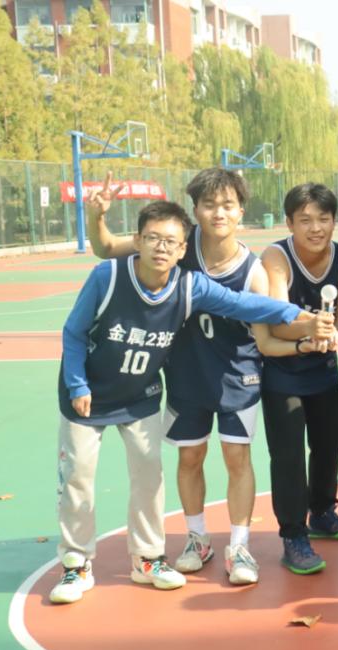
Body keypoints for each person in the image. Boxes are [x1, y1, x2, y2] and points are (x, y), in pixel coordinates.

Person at [50, 201, 331, 604]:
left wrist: (298, 315)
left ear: (183, 249)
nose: (161, 247)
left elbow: (244, 304)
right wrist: (77, 385)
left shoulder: (188, 285)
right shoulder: (107, 277)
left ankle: (147, 558)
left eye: (171, 241)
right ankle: (76, 564)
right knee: (78, 478)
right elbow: (74, 332)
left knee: (148, 479)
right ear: (138, 241)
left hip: (140, 396)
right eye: (153, 238)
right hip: (88, 396)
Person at [86, 169, 279, 586]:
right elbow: (105, 249)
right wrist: (97, 216)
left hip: (237, 377)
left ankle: (240, 546)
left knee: (237, 458)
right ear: (195, 211)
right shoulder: (174, 247)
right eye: (209, 205)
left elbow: (266, 334)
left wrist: (310, 329)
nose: (218, 213)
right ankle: (197, 538)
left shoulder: (253, 270)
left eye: (227, 205)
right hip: (185, 376)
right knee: (190, 458)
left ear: (241, 211)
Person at [260, 183, 338, 575]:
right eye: (304, 220)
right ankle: (293, 534)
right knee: (288, 456)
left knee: (329, 445)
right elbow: (276, 319)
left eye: (323, 218)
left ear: (334, 221)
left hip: (322, 371)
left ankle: (322, 513)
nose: (315, 228)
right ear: (289, 223)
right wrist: (313, 327)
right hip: (283, 372)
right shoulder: (276, 257)